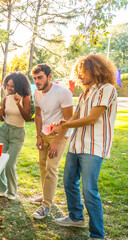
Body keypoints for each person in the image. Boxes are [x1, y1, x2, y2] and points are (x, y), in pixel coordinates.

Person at [53, 54, 118, 240]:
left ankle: (97, 234)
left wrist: (65, 126)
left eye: (83, 71)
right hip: (76, 144)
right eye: (78, 73)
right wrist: (65, 122)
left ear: (96, 69)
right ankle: (76, 217)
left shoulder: (107, 89)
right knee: (69, 182)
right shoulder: (85, 93)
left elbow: (91, 118)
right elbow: (77, 116)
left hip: (94, 146)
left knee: (89, 189)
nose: (79, 76)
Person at [30, 63, 73, 219]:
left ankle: (46, 206)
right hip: (44, 134)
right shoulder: (37, 93)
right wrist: (38, 135)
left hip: (60, 134)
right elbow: (39, 115)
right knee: (43, 166)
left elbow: (69, 119)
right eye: (34, 78)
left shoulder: (63, 92)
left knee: (51, 168)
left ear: (49, 76)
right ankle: (45, 195)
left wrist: (57, 141)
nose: (37, 81)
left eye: (40, 77)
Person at [0, 72, 31, 200]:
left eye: (12, 86)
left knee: (10, 163)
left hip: (18, 133)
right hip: (4, 130)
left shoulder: (25, 98)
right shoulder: (5, 99)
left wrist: (18, 103)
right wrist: (1, 113)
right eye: (8, 85)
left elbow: (27, 118)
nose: (9, 88)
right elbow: (2, 118)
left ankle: (12, 191)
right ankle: (0, 188)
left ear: (20, 85)